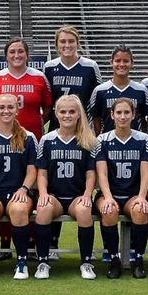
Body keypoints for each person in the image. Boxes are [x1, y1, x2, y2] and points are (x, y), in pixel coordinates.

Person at [0, 37, 51, 259]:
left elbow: (48, 107)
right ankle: (5, 245)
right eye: (12, 52)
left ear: (27, 54)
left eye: (21, 51)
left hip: (29, 139)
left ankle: (31, 245)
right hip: (2, 138)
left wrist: (34, 128)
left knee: (27, 191)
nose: (16, 55)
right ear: (5, 56)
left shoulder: (39, 77)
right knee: (4, 186)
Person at [36, 95, 99, 280]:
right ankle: (43, 262)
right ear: (56, 113)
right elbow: (42, 173)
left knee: (85, 210)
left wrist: (87, 195)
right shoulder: (47, 140)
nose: (67, 115)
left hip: (76, 196)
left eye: (72, 111)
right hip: (54, 195)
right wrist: (43, 194)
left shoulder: (87, 140)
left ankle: (86, 262)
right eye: (63, 112)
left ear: (79, 114)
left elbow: (90, 174)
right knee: (43, 208)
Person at [0, 93, 38, 280]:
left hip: (19, 191)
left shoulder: (28, 137)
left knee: (20, 209)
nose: (6, 111)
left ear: (17, 110)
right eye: (1, 107)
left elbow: (32, 170)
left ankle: (21, 262)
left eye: (10, 107)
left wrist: (24, 189)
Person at [95, 97, 148, 279]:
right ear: (111, 115)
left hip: (133, 193)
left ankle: (138, 260)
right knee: (109, 211)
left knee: (140, 211)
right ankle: (114, 260)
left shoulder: (143, 139)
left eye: (127, 112)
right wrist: (108, 197)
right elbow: (102, 174)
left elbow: (145, 173)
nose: (123, 116)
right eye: (118, 112)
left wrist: (142, 196)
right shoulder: (102, 140)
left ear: (134, 115)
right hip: (109, 192)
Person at [88, 46, 148, 134]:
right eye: (117, 61)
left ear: (132, 63)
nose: (121, 64)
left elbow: (144, 120)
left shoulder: (141, 90)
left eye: (126, 61)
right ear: (111, 62)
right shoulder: (100, 91)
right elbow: (96, 119)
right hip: (107, 143)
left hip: (135, 143)